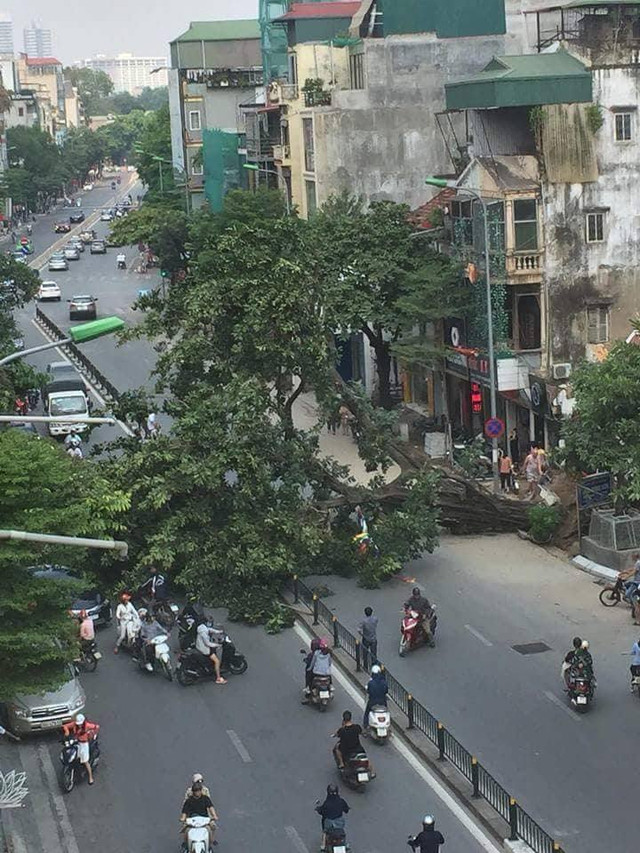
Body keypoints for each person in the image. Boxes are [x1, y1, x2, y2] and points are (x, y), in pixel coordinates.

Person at [62, 713, 99, 785]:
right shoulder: (74, 724)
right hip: (76, 742)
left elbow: (96, 727)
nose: (79, 725)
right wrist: (67, 731)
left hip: (84, 744)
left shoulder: (87, 725)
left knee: (85, 761)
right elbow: (65, 726)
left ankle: (90, 777)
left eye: (80, 724)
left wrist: (93, 733)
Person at [180, 780, 218, 850]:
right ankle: (186, 844)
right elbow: (184, 811)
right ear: (193, 792)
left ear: (201, 791)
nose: (198, 792)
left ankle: (209, 844)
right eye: (196, 791)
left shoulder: (205, 798)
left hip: (204, 820)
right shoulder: (189, 801)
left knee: (209, 829)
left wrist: (214, 815)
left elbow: (211, 807)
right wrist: (183, 818)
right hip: (193, 820)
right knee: (186, 830)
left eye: (199, 790)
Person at [316, 784, 350, 852]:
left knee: (325, 832)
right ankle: (346, 845)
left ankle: (322, 847)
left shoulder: (327, 803)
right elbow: (346, 810)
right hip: (339, 823)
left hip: (329, 823)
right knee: (342, 832)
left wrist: (318, 809)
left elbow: (322, 811)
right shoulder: (341, 801)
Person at [195, 618, 227, 684]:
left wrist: (218, 631)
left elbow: (209, 630)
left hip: (199, 646)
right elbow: (208, 643)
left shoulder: (202, 628)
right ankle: (218, 678)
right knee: (217, 661)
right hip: (205, 649)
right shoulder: (204, 633)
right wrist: (217, 645)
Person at [363, 664, 388, 729]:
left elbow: (369, 692)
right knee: (386, 712)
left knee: (367, 713)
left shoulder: (370, 683)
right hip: (382, 702)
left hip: (372, 702)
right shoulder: (384, 682)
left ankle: (365, 726)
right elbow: (386, 691)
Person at [620, 555, 640, 625]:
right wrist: (626, 571)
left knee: (628, 594)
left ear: (635, 557)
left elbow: (634, 572)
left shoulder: (638, 562)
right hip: (636, 582)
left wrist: (626, 576)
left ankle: (633, 605)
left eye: (632, 557)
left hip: (637, 583)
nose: (631, 558)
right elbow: (633, 569)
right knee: (627, 585)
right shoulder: (637, 563)